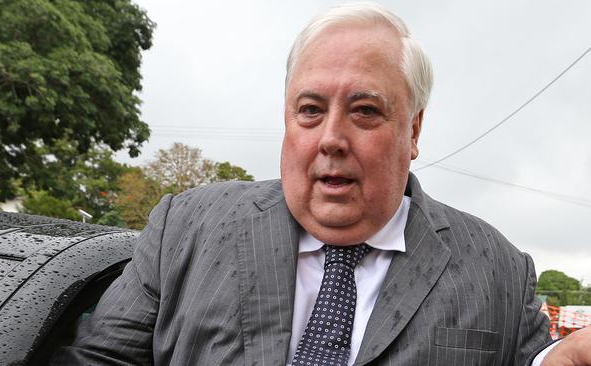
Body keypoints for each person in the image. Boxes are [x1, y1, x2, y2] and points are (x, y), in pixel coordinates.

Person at [54, 2, 591, 365]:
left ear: (414, 129)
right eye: (310, 110)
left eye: (364, 111)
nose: (331, 138)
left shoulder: (498, 268)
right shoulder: (184, 229)